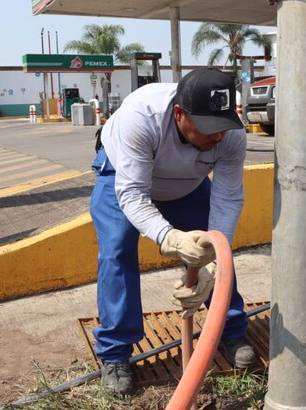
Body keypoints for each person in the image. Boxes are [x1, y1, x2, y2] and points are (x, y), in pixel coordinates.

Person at [90, 68, 256, 396]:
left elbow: (227, 198)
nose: (217, 137)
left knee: (217, 250)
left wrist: (211, 257)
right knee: (117, 250)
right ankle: (115, 354)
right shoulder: (142, 116)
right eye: (208, 129)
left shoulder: (231, 136)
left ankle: (230, 330)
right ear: (178, 114)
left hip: (186, 185)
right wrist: (170, 238)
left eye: (222, 127)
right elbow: (133, 195)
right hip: (124, 176)